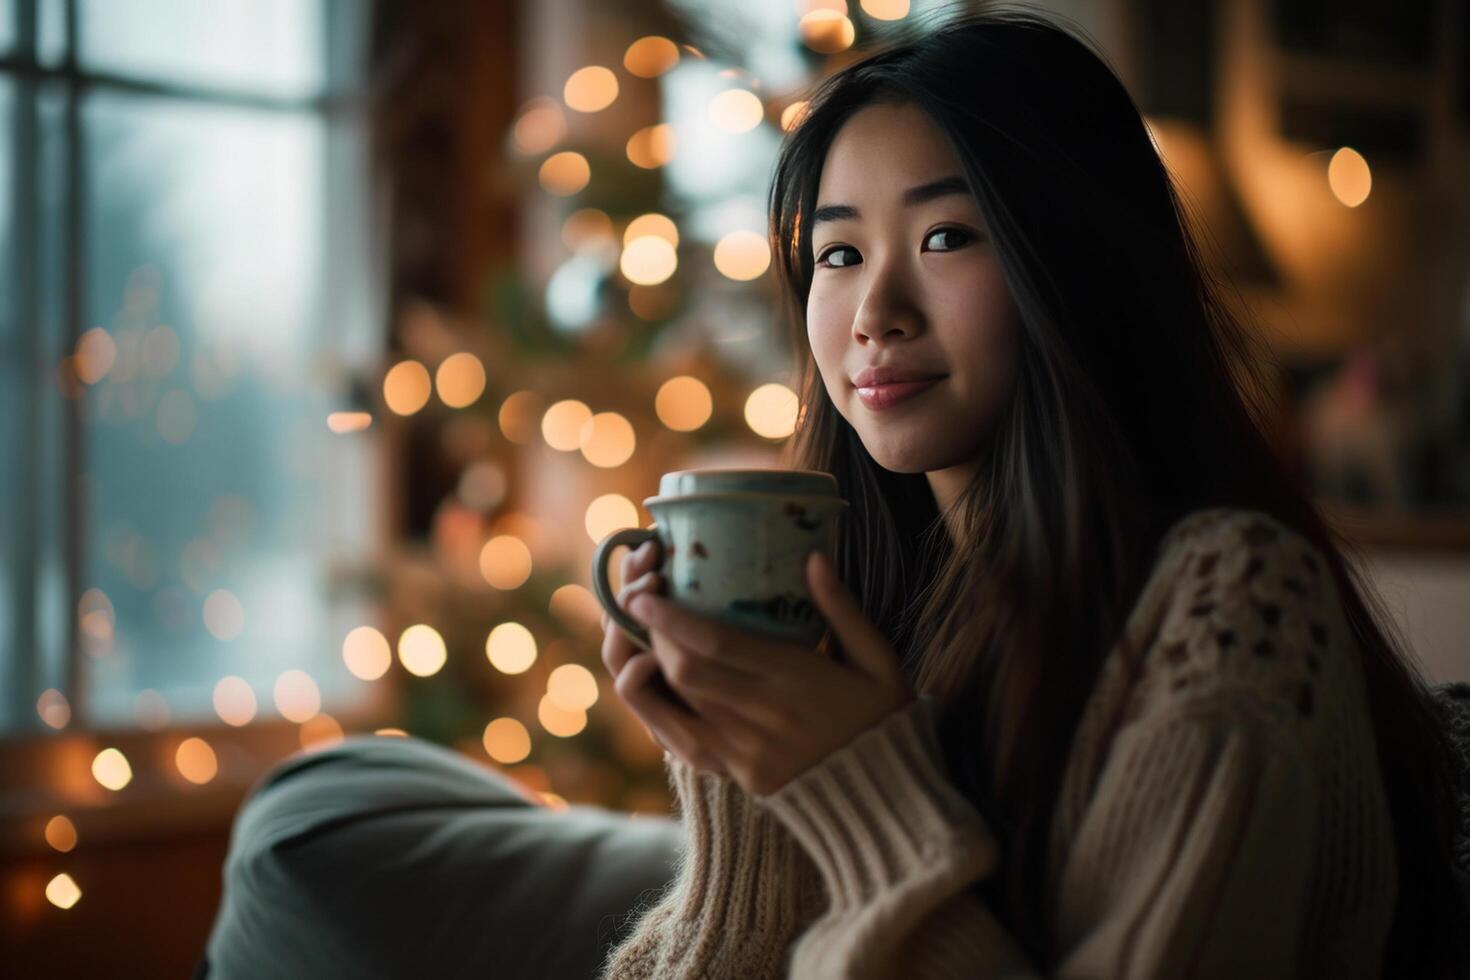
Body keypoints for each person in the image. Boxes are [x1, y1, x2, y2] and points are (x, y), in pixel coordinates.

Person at [595, 7, 1468, 979]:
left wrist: (852, 783)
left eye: (947, 236)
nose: (874, 314)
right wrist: (740, 781)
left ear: (1073, 261)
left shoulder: (1229, 598)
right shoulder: (873, 602)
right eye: (838, 254)